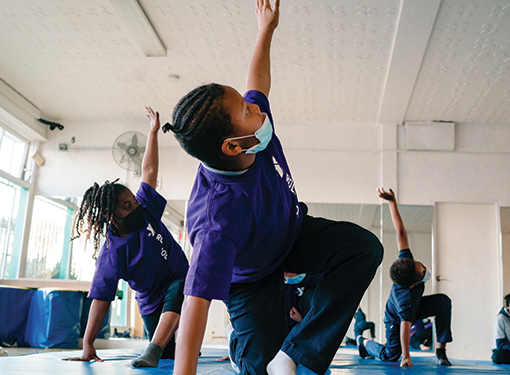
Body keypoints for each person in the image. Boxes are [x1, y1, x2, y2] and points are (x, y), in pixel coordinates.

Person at [162, 1, 384, 374]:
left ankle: (295, 353)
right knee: (258, 366)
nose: (258, 110)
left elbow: (257, 82)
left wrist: (266, 30)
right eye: (247, 112)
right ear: (232, 146)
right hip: (248, 279)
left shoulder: (251, 135)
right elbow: (195, 304)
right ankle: (242, 347)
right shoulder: (216, 220)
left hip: (292, 233)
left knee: (363, 248)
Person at [63, 107, 189, 368]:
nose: (135, 207)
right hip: (150, 298)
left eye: (133, 201)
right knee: (168, 351)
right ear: (111, 216)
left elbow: (150, 169)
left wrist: (153, 132)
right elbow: (101, 299)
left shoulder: (147, 206)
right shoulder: (112, 253)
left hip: (178, 273)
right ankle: (164, 348)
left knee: (175, 301)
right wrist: (88, 343)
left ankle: (154, 349)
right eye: (126, 207)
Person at [359, 188, 452, 367]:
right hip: (395, 317)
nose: (425, 268)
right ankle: (363, 342)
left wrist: (392, 202)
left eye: (421, 264)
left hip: (416, 308)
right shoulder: (405, 300)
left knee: (443, 302)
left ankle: (441, 351)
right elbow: (405, 327)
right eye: (423, 272)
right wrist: (406, 356)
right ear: (412, 285)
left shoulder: (406, 262)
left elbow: (400, 232)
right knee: (391, 355)